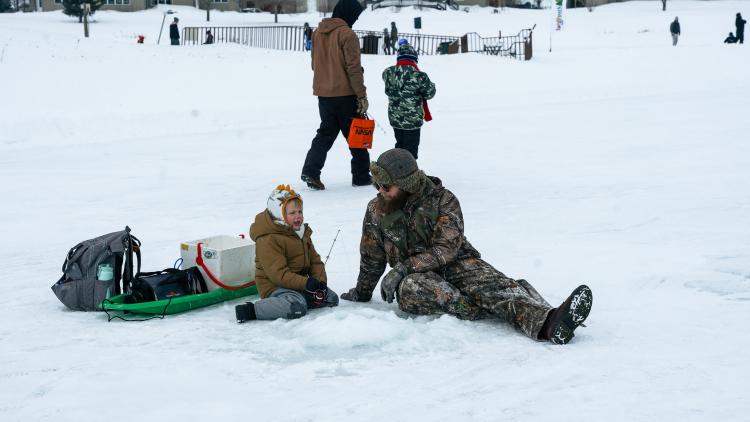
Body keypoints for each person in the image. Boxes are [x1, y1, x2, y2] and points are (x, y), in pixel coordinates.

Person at [340, 149, 593, 345]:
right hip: (418, 279)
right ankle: (475, 307)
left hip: (457, 263)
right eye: (377, 186)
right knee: (410, 289)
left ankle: (549, 323)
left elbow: (446, 249)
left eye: (387, 186)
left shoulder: (444, 200)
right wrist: (362, 292)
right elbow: (371, 256)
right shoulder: (377, 210)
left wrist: (403, 267)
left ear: (407, 184)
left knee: (492, 287)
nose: (381, 191)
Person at [235, 185, 338, 322]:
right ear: (279, 214)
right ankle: (253, 310)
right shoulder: (268, 239)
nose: (298, 217)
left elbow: (315, 261)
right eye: (292, 213)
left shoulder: (301, 232)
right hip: (276, 287)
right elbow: (278, 275)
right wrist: (306, 283)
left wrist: (319, 283)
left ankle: (302, 299)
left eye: (300, 211)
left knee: (330, 298)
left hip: (299, 284)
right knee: (297, 307)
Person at [300, 0, 371, 190]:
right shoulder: (348, 34)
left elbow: (315, 64)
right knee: (356, 135)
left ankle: (311, 171)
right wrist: (362, 96)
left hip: (324, 95)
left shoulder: (317, 33)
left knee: (325, 134)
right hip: (346, 95)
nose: (355, 19)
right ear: (348, 13)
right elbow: (353, 69)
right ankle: (362, 176)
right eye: (355, 15)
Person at [382, 41, 435, 159]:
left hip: (395, 118)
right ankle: (408, 174)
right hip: (412, 120)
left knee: (400, 145)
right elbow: (430, 93)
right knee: (410, 151)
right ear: (414, 59)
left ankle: (397, 170)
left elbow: (388, 89)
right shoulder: (419, 75)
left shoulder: (388, 73)